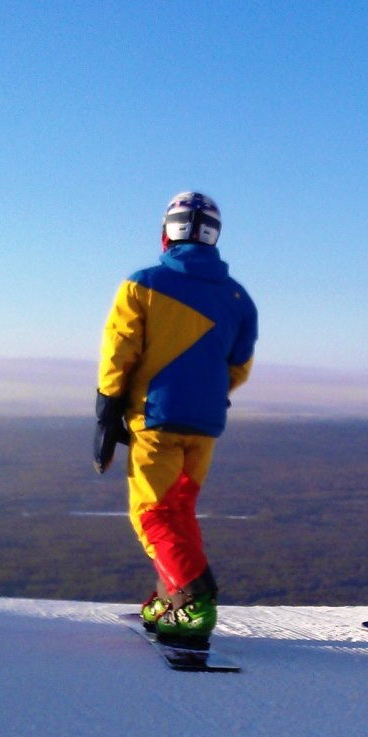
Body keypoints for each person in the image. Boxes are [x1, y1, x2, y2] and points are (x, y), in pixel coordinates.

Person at [94, 191, 258, 648]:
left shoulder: (141, 285)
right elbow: (238, 367)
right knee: (179, 511)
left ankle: (193, 596)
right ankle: (171, 599)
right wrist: (205, 396)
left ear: (167, 233)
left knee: (151, 514)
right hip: (205, 424)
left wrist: (107, 412)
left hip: (156, 418)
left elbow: (119, 351)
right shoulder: (239, 299)